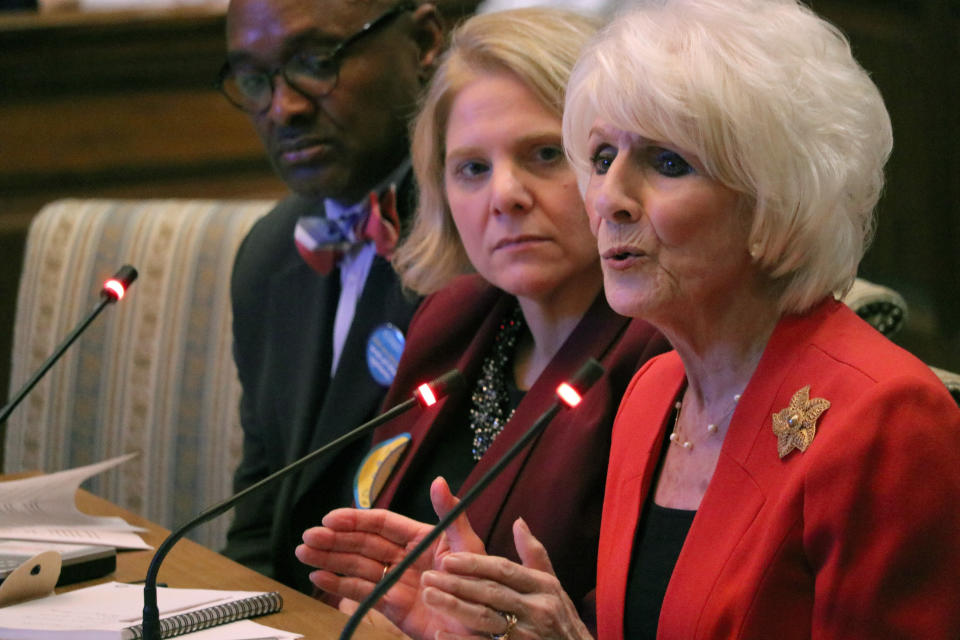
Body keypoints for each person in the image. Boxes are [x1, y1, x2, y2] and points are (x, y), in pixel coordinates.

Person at [322, 1, 960, 638]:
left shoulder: (885, 418)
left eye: (667, 162)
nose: (608, 199)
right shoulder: (654, 396)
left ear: (778, 200)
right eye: (601, 159)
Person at [293, 7, 669, 636]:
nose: (505, 195)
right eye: (472, 168)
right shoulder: (454, 320)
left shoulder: (662, 355)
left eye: (546, 154)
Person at [218, 0, 446, 593]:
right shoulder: (270, 254)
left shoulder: (487, 243)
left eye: (316, 62)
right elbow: (260, 523)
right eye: (253, 79)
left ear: (423, 42)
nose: (283, 107)